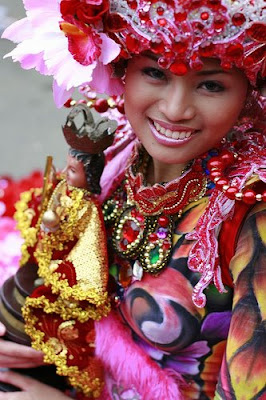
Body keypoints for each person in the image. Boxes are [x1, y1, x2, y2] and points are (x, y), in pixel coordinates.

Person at [0, 1, 265, 399]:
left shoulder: (250, 211)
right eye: (155, 73)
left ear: (249, 92)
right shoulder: (117, 153)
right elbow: (58, 276)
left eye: (211, 84)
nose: (175, 110)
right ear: (121, 71)